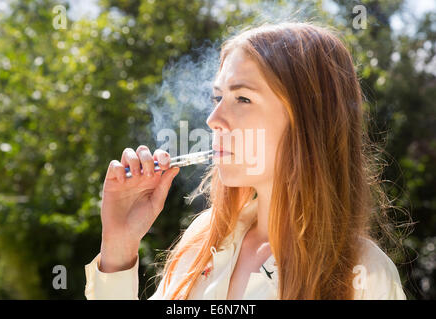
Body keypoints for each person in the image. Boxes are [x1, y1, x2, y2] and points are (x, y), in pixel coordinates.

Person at [84, 22, 407, 300]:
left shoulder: (364, 276)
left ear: (308, 119)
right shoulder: (203, 240)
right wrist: (119, 247)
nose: (214, 119)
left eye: (242, 98)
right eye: (217, 97)